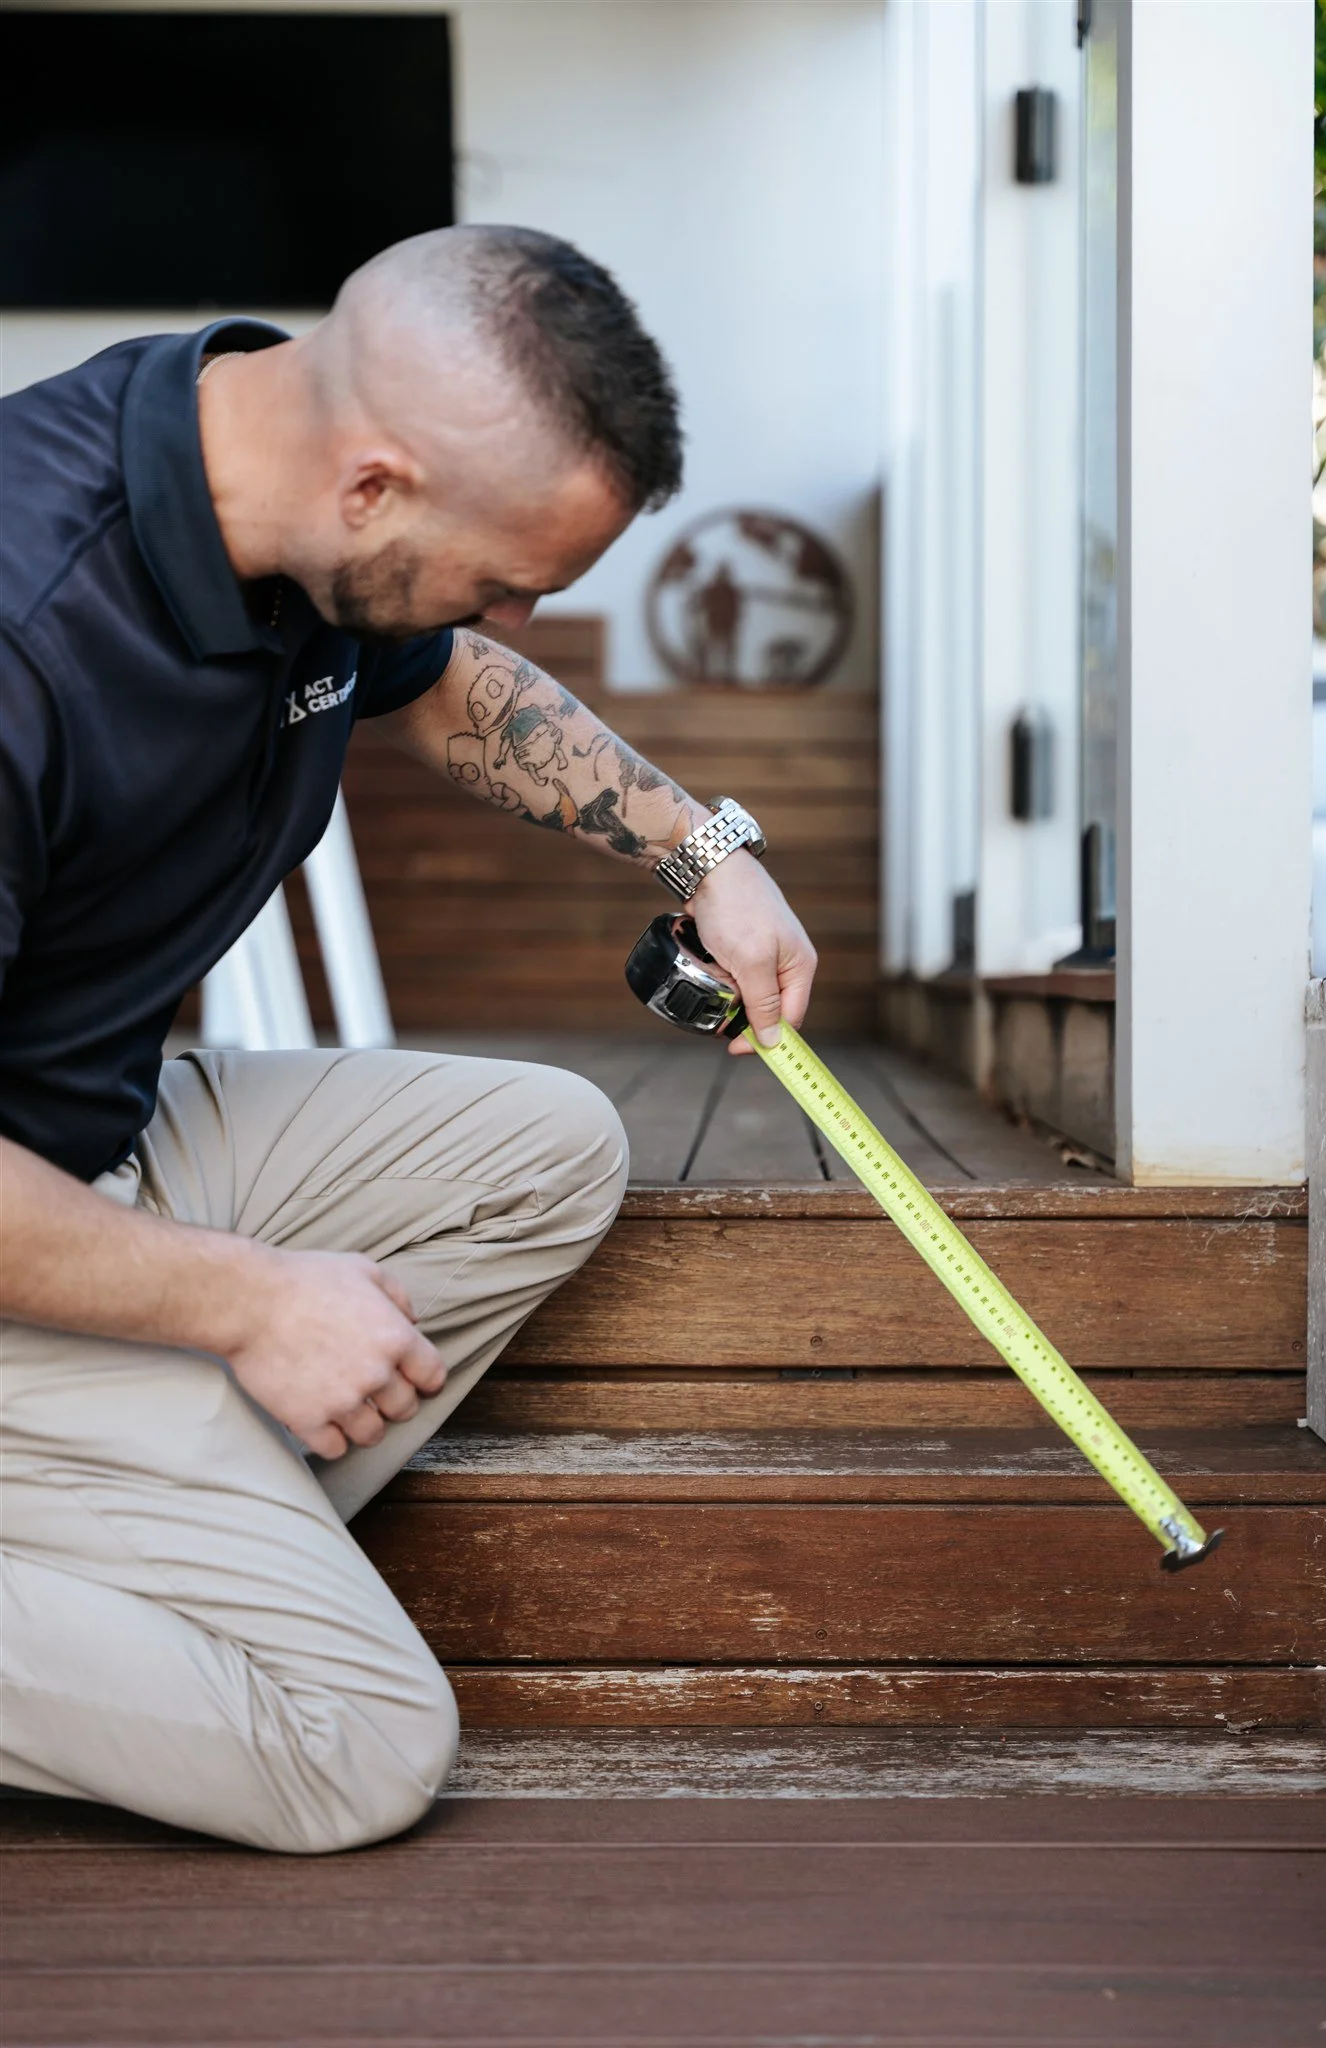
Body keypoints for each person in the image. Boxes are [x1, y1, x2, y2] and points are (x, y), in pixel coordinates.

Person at [0, 226, 816, 1852]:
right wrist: (250, 1300)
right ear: (376, 488)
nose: (516, 612)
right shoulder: (26, 620)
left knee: (547, 1149)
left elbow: (438, 681)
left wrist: (697, 852)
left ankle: (139, 1499)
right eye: (509, 574)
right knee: (353, 1746)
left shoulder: (268, 477)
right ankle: (155, 1519)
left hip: (86, 1135)